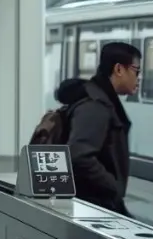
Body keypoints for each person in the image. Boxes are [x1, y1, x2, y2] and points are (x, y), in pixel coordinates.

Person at [56, 41, 140, 216]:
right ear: (119, 69)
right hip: (93, 206)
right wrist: (113, 187)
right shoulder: (96, 106)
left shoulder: (99, 99)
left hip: (92, 204)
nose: (138, 78)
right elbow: (78, 154)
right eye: (136, 71)